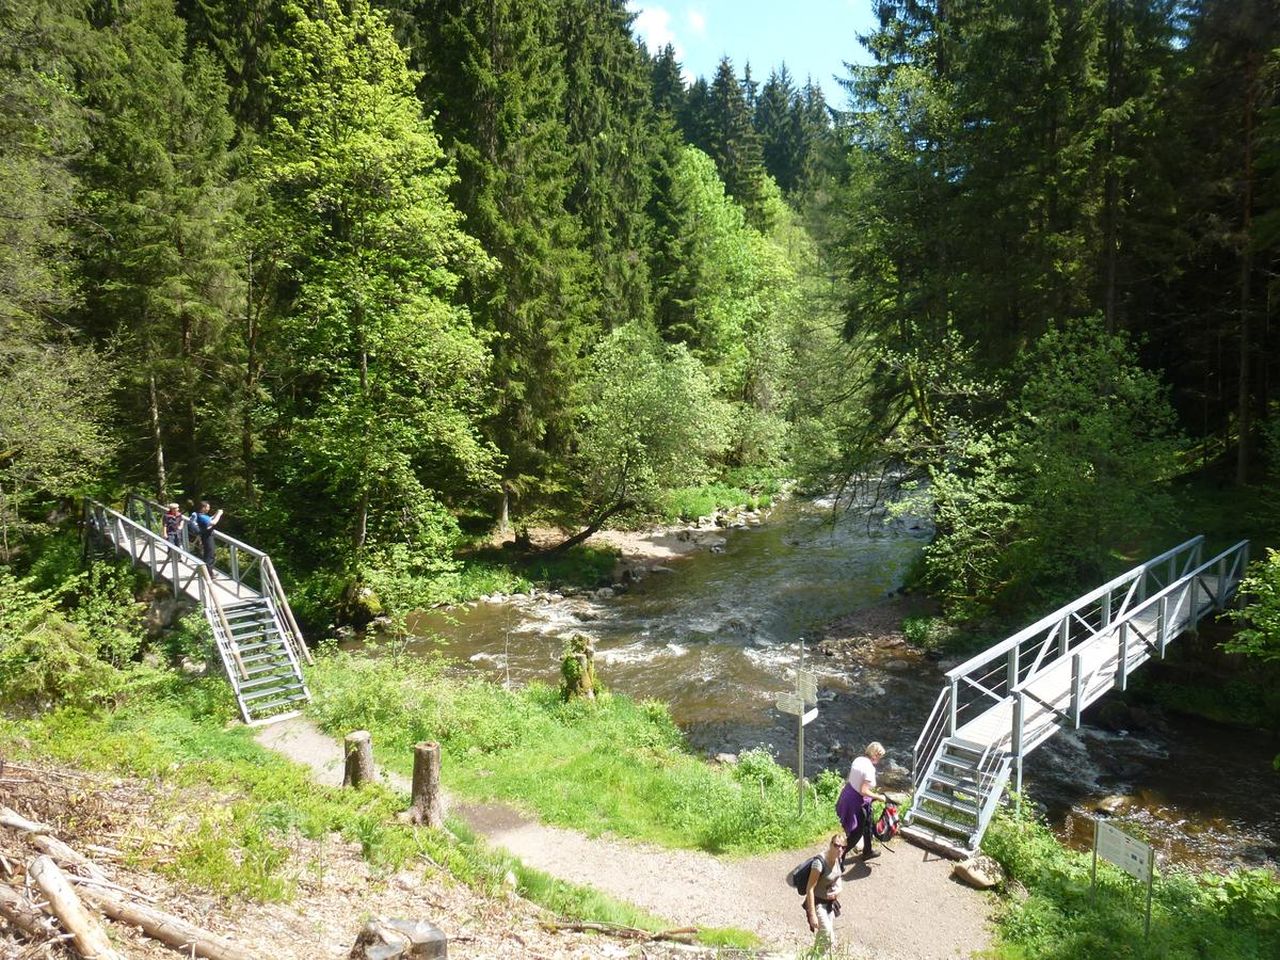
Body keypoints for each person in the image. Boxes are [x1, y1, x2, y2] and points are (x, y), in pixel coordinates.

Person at [836, 741, 887, 863]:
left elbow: (853, 779)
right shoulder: (869, 769)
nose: (880, 760)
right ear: (875, 755)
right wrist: (879, 797)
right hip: (856, 802)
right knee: (856, 833)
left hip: (847, 794)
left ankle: (867, 851)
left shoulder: (858, 760)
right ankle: (839, 855)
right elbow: (863, 790)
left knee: (868, 823)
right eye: (880, 757)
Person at [802, 833, 845, 954]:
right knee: (827, 936)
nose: (839, 849)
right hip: (817, 903)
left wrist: (837, 891)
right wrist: (812, 915)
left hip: (830, 904)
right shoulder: (819, 863)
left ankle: (811, 957)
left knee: (824, 938)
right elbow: (809, 888)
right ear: (831, 844)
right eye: (836, 845)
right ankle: (815, 957)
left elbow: (838, 877)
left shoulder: (838, 859)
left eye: (842, 847)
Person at [191, 501, 223, 568]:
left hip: (205, 536)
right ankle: (209, 573)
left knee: (209, 554)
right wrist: (219, 514)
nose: (209, 509)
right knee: (210, 555)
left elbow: (210, 519)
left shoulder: (201, 515)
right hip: (207, 537)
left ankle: (209, 572)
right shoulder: (202, 516)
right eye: (208, 507)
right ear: (203, 508)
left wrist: (216, 514)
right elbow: (213, 522)